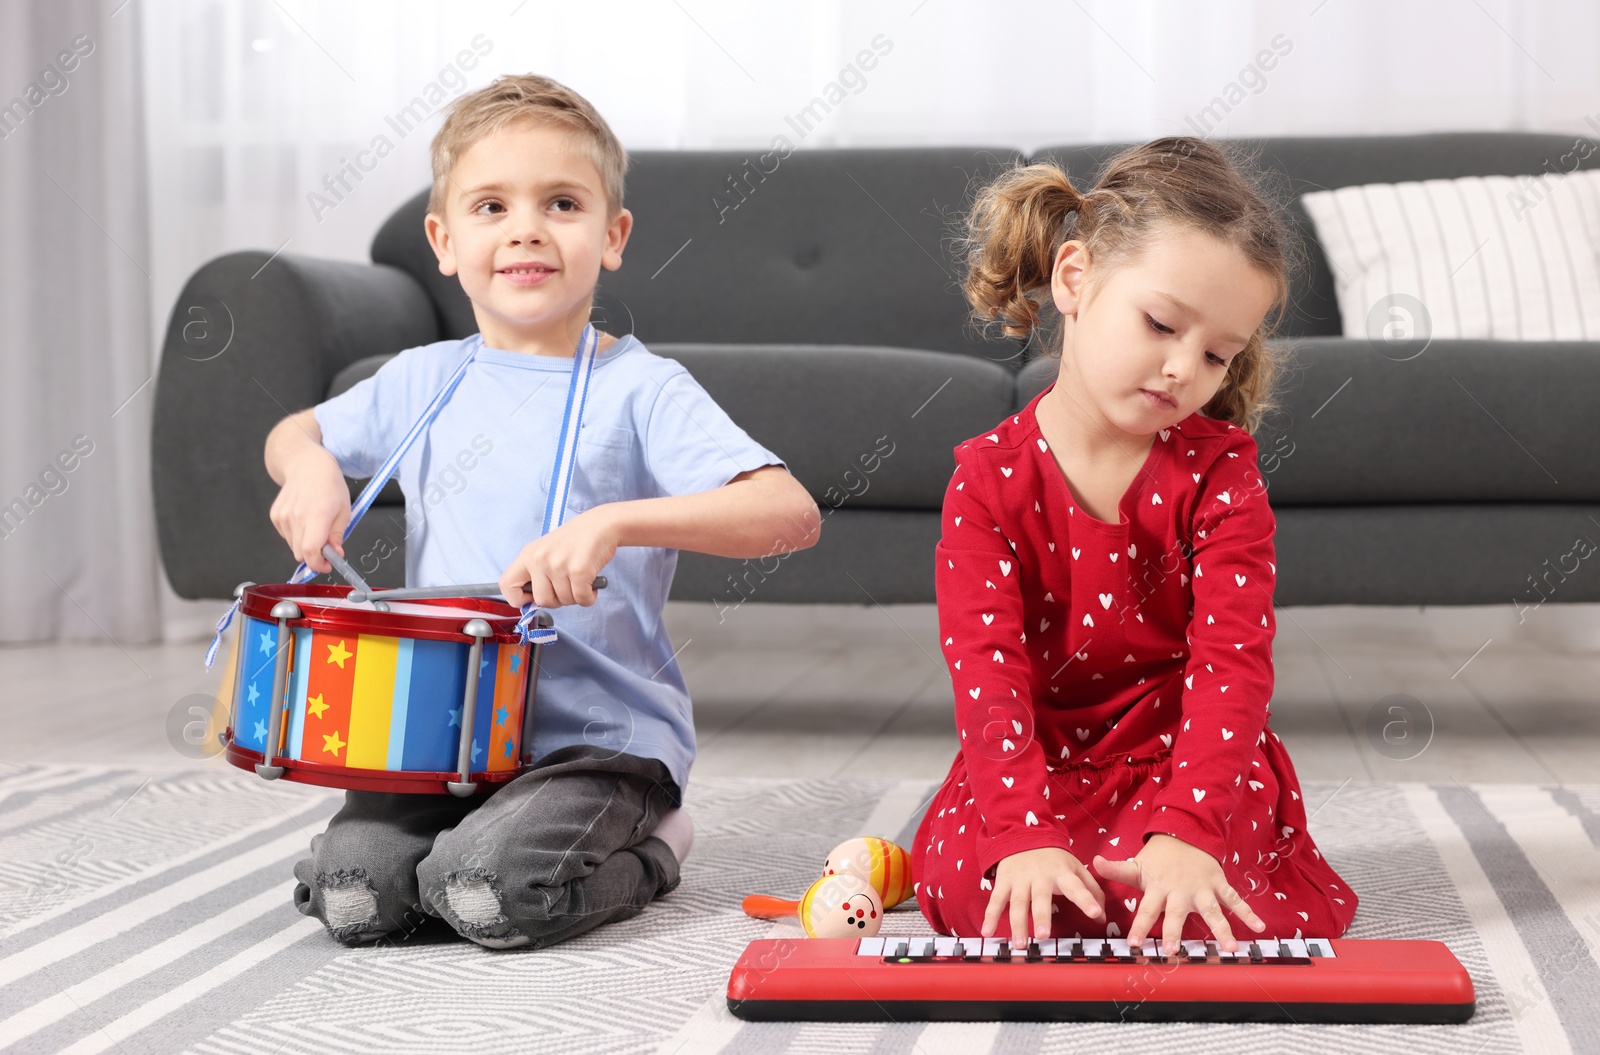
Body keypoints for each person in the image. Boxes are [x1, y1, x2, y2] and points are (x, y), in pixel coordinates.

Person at [263, 74, 819, 950]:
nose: (525, 227)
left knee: (490, 892)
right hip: (440, 740)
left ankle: (656, 840)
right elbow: (294, 432)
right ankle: (454, 843)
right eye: (491, 206)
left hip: (596, 743)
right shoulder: (422, 378)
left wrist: (617, 522)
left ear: (613, 235)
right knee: (354, 900)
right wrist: (311, 469)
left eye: (561, 202)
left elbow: (787, 512)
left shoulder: (641, 388)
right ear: (444, 241)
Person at [912, 137, 1357, 955]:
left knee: (1209, 904)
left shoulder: (1223, 476)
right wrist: (1023, 833)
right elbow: (989, 675)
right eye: (1160, 323)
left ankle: (1171, 854)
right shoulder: (985, 480)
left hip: (1187, 759)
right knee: (998, 896)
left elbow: (1233, 664)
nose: (1184, 368)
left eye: (1217, 353)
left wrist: (1189, 828)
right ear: (1075, 278)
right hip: (1037, 766)